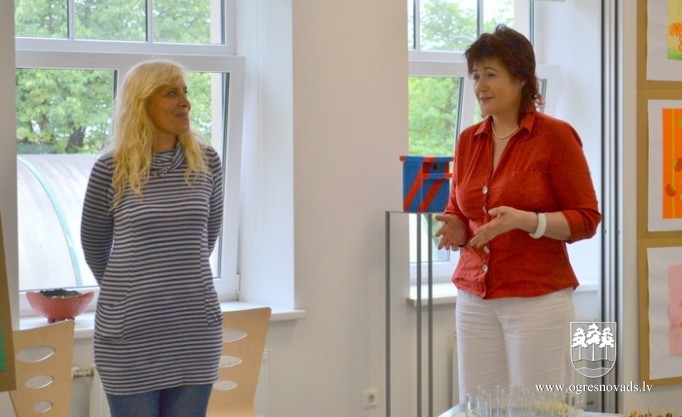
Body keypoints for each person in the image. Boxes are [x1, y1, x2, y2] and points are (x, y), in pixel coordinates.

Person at [434, 25, 602, 400]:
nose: (480, 86)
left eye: (491, 74)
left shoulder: (555, 136)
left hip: (537, 300)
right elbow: (457, 209)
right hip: (474, 297)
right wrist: (456, 229)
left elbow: (586, 218)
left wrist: (528, 221)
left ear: (522, 78)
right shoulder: (468, 140)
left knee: (538, 407)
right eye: (475, 76)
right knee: (479, 406)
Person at [81, 60, 224, 417]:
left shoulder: (206, 160)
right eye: (171, 93)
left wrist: (174, 282)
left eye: (185, 92)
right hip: (130, 333)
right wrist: (131, 293)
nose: (185, 102)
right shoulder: (110, 168)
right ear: (142, 102)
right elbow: (94, 246)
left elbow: (206, 238)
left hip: (194, 329)